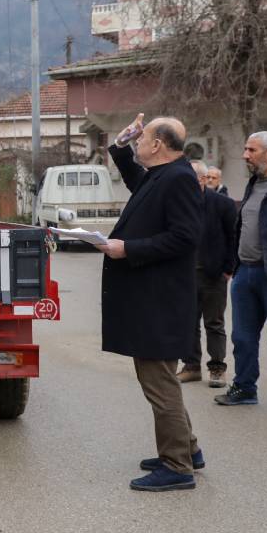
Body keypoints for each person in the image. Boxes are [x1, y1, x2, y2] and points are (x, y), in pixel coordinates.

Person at [96, 113, 204, 491]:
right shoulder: (162, 176)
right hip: (155, 300)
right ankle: (188, 450)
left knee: (159, 383)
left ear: (158, 145)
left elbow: (185, 237)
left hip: (161, 302)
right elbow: (136, 183)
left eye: (142, 138)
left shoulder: (179, 180)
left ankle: (177, 467)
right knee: (160, 380)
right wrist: (122, 145)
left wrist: (129, 249)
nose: (138, 140)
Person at [215, 131, 267, 405]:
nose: (245, 155)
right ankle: (245, 388)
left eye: (251, 150)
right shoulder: (253, 185)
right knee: (243, 337)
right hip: (245, 273)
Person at [179, 161, 238, 387]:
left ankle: (216, 368)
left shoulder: (223, 204)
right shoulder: (180, 204)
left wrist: (228, 269)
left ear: (202, 180)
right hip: (185, 275)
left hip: (213, 275)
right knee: (188, 322)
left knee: (214, 323)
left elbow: (233, 237)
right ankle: (191, 366)